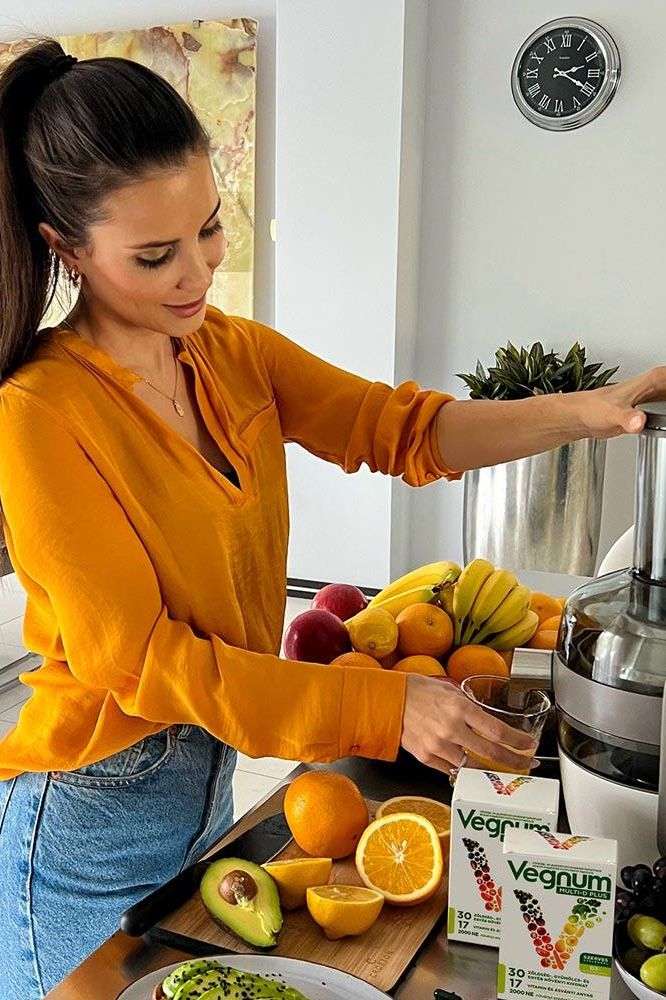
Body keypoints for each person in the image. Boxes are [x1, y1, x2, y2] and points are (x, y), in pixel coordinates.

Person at [0, 39, 663, 998]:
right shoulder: (40, 413)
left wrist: (590, 410)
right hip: (88, 816)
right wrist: (385, 706)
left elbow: (406, 430)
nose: (198, 274)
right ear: (64, 246)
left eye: (211, 230)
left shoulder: (228, 354)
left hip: (210, 768)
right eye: (155, 255)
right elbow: (143, 664)